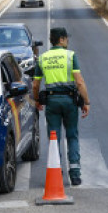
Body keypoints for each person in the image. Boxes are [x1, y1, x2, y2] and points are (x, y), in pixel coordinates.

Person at [32, 26, 90, 186]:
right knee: (72, 135)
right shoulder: (70, 56)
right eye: (67, 38)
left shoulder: (43, 58)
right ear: (62, 39)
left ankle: (56, 170)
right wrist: (86, 102)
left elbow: (35, 84)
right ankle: (75, 174)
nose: (68, 41)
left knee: (53, 136)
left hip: (51, 102)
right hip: (70, 101)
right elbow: (79, 81)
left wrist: (37, 100)